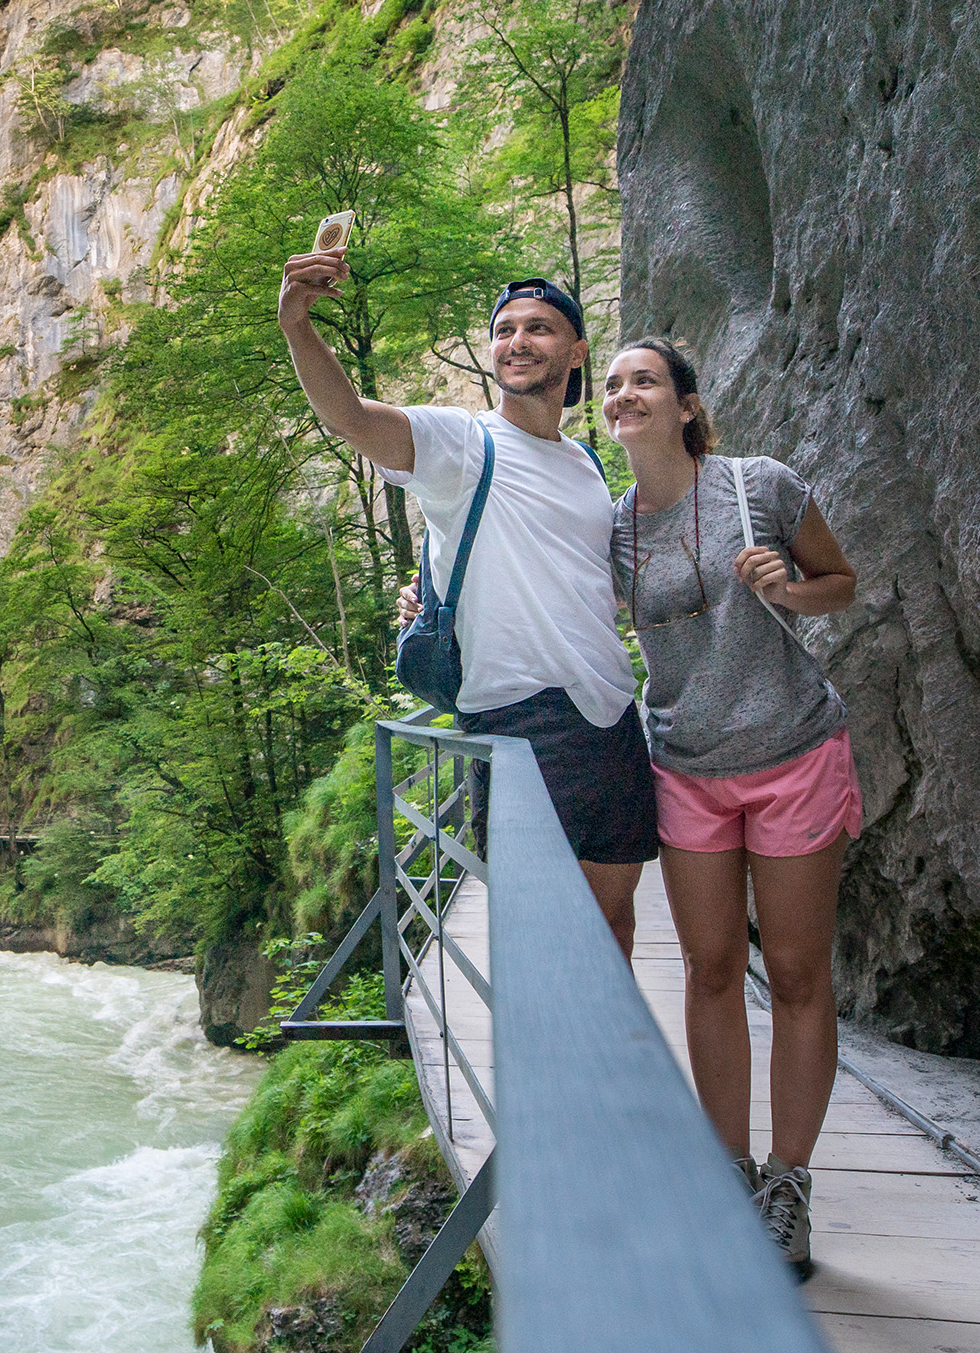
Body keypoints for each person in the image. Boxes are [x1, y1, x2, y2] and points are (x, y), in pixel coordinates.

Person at [280, 250, 657, 955]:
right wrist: (297, 325)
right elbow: (351, 418)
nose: (517, 341)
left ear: (575, 351)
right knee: (542, 944)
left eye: (539, 328)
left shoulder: (585, 463)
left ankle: (602, 1069)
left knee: (615, 931)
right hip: (522, 721)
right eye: (505, 329)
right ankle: (544, 1067)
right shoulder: (465, 441)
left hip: (610, 717)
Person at [599, 335, 862, 1279]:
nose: (624, 394)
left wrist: (788, 587)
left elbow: (843, 583)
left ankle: (788, 1187)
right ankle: (729, 1173)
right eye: (615, 384)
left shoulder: (762, 485)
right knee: (711, 974)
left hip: (792, 752)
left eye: (644, 381)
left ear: (685, 405)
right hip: (686, 767)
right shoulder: (613, 526)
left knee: (794, 975)